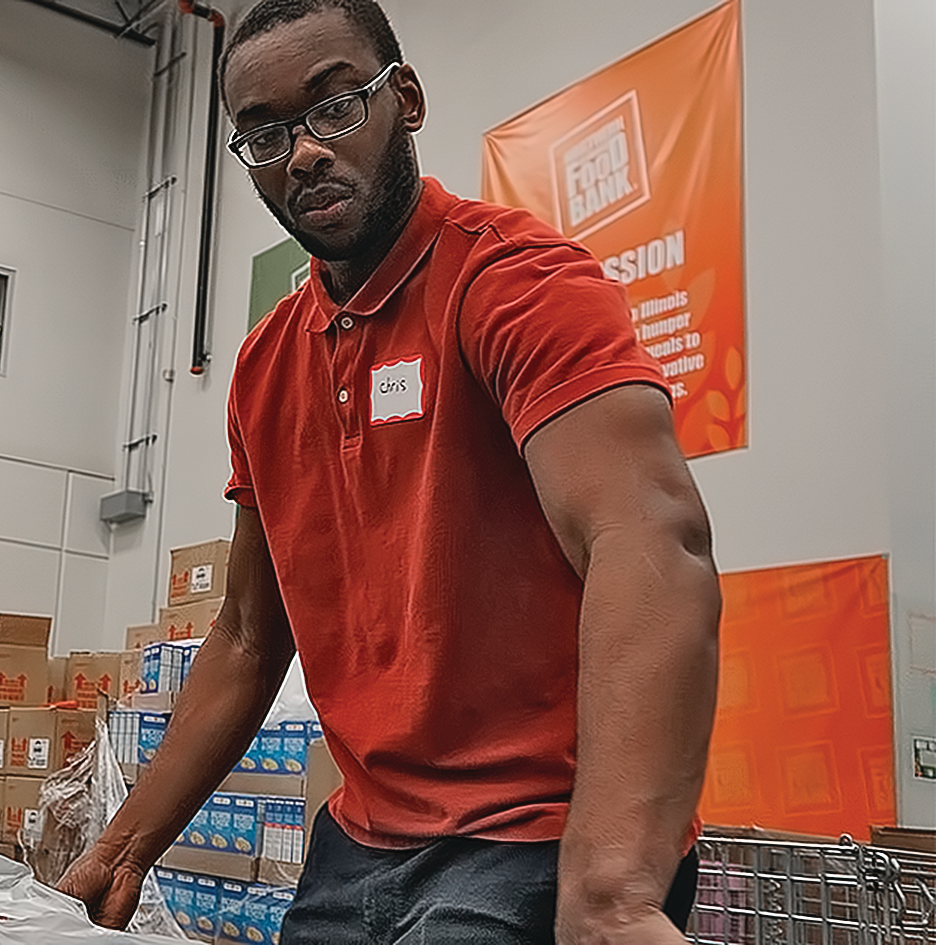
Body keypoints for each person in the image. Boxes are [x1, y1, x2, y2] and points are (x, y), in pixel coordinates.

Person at [57, 3, 721, 943]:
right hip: (359, 843)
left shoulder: (515, 283)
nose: (304, 152)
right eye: (266, 133)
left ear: (404, 100)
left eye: (334, 107)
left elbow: (652, 540)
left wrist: (614, 888)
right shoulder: (263, 366)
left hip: (534, 836)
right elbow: (249, 635)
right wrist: (124, 847)